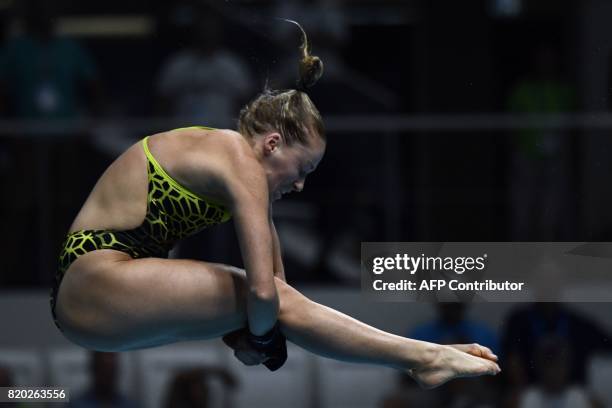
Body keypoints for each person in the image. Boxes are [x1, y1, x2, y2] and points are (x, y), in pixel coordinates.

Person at [49, 22, 500, 389]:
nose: (301, 185)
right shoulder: (235, 155)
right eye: (301, 168)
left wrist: (261, 336)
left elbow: (280, 293)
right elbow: (265, 295)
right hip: (94, 281)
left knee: (276, 305)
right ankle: (423, 358)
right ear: (272, 142)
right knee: (267, 303)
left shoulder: (241, 172)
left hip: (102, 305)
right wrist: (262, 338)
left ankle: (424, 358)